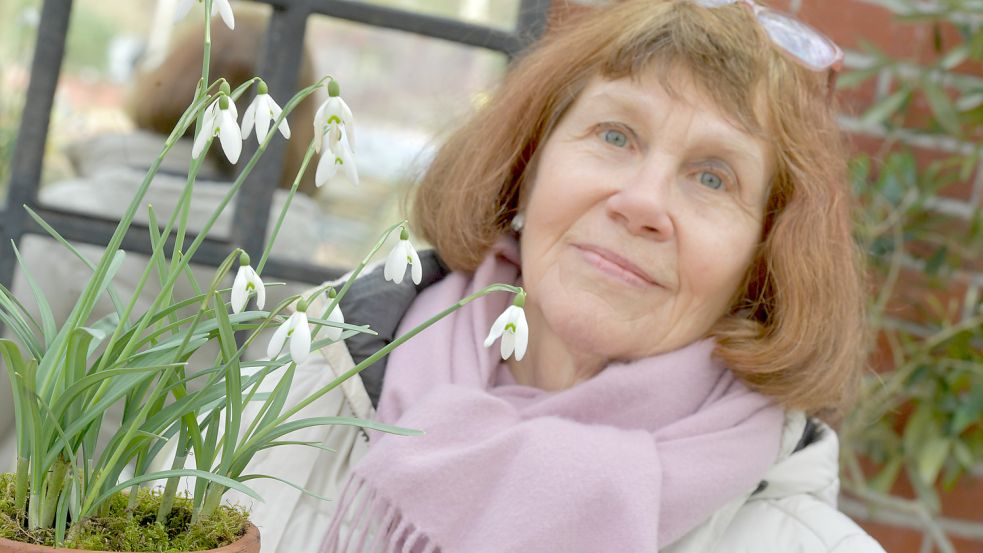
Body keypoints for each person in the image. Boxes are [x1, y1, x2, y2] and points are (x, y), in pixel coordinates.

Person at [188, 0, 885, 551]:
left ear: (764, 260)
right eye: (615, 135)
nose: (642, 202)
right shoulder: (300, 388)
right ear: (527, 164)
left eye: (712, 176)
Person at [0, 10, 324, 469]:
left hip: (38, 497)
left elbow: (11, 383)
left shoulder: (67, 209)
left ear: (170, 78)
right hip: (182, 509)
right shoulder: (287, 242)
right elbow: (256, 400)